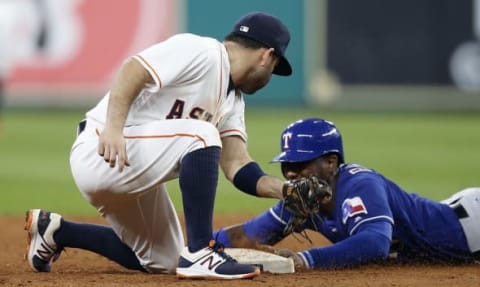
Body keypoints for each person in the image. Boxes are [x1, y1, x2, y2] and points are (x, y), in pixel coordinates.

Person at [24, 11, 292, 279]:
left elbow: (237, 164)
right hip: (101, 150)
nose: (270, 76)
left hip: (132, 167)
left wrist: (286, 191)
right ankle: (201, 251)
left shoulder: (233, 102)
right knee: (202, 134)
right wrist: (114, 127)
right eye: (275, 67)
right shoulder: (204, 52)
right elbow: (133, 69)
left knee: (165, 260)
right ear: (267, 56)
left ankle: (55, 231)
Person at [213, 118, 480, 269]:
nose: (292, 174)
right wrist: (202, 244)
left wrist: (306, 260)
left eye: (300, 164)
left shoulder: (359, 184)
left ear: (331, 162)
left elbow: (375, 243)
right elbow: (250, 234)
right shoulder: (304, 200)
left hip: (470, 225)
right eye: (286, 166)